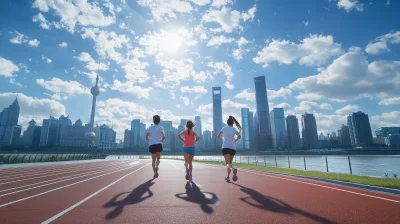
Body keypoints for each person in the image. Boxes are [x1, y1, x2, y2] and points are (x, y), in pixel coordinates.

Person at [218, 115, 242, 182]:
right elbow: (239, 136)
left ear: (227, 122)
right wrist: (235, 140)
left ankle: (233, 169)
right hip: (232, 148)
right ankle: (228, 177)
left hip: (225, 147)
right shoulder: (234, 129)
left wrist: (223, 139)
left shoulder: (224, 128)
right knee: (230, 163)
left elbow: (218, 136)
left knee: (228, 164)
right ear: (233, 123)